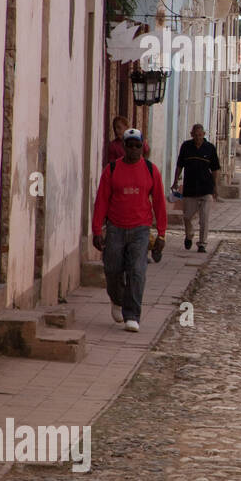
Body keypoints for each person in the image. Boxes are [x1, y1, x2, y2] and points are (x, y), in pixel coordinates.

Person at [92, 128, 167, 333]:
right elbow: (102, 200)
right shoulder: (112, 170)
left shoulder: (151, 170)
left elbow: (159, 202)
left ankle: (132, 314)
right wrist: (96, 229)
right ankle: (117, 300)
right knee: (112, 269)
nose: (134, 149)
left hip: (141, 229)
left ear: (143, 147)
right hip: (116, 227)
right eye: (130, 145)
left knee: (137, 271)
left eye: (137, 146)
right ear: (124, 147)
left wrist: (161, 233)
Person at [172, 123, 221, 253]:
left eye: (200, 135)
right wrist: (175, 181)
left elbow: (215, 169)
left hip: (206, 189)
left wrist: (215, 187)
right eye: (195, 135)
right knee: (187, 216)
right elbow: (179, 165)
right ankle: (189, 235)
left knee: (204, 218)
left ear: (204, 135)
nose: (198, 138)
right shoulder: (186, 147)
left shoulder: (210, 148)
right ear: (191, 135)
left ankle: (202, 244)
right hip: (190, 189)